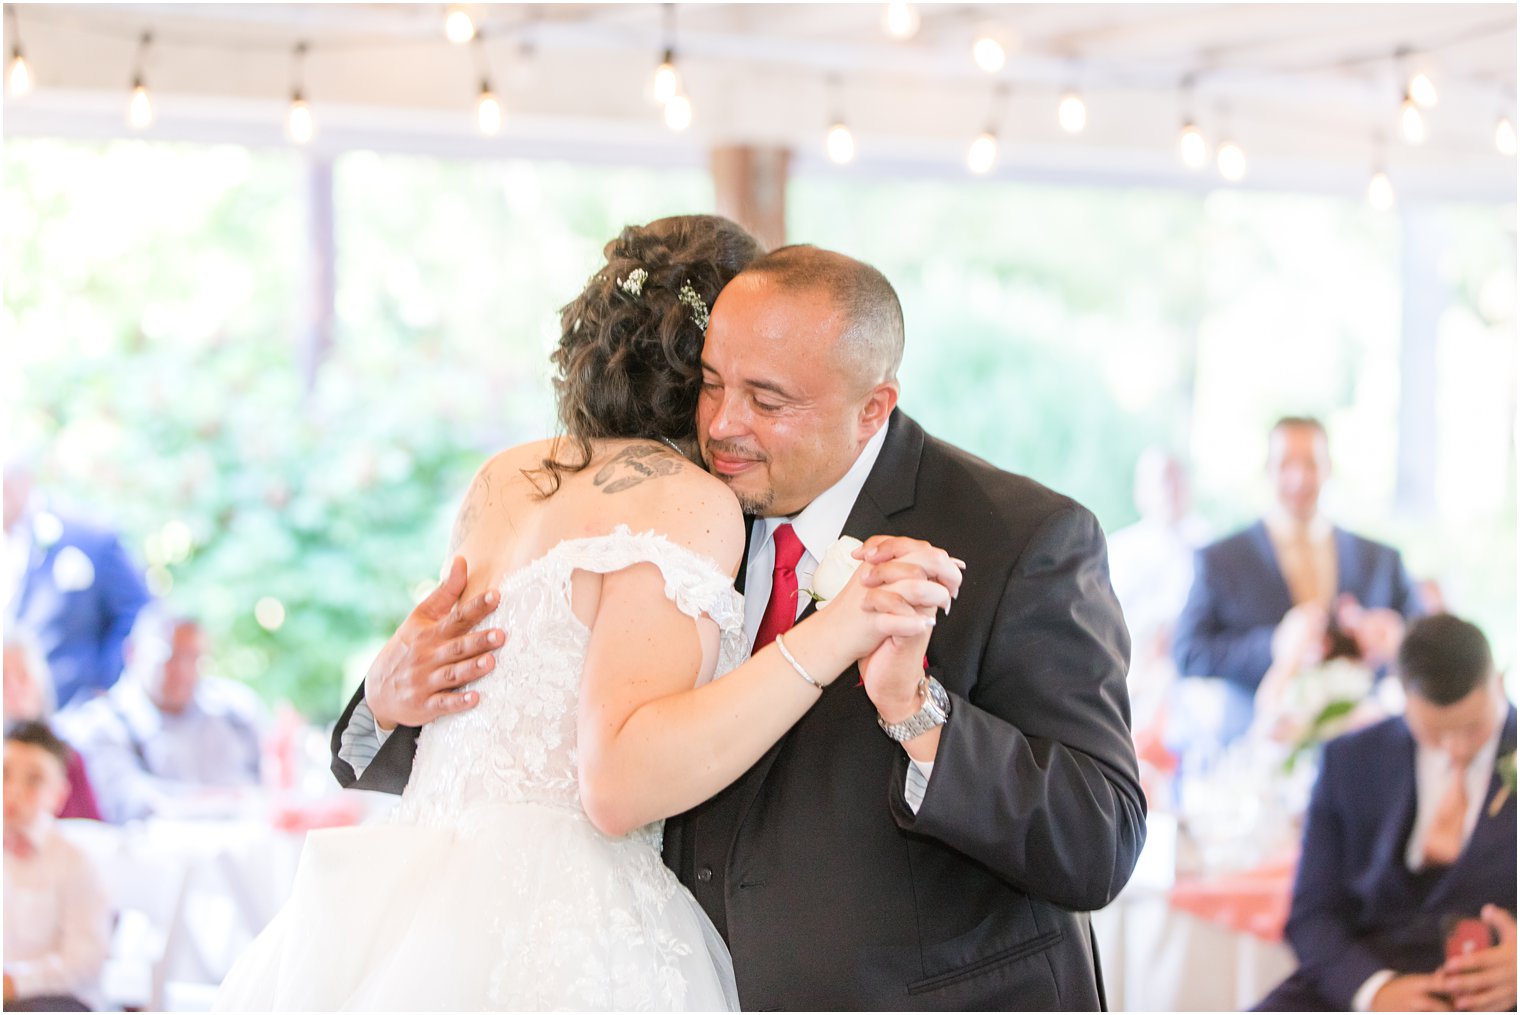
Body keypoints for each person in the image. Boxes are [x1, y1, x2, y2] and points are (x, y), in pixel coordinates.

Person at [337, 241, 1146, 1008]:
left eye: (767, 400)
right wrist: (384, 697)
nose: (723, 424)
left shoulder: (1020, 536)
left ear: (874, 407)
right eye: (713, 382)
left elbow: (1099, 839)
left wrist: (917, 712)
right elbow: (533, 741)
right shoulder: (682, 510)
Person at [218, 216, 960, 1011]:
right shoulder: (690, 502)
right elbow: (614, 780)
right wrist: (838, 628)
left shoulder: (502, 479)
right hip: (563, 922)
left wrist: (380, 706)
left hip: (410, 908)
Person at [1256, 614, 1517, 1012]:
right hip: (1370, 974)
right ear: (1404, 697)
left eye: (1471, 728)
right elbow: (1312, 914)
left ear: (1497, 682)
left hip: (1494, 992)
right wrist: (1374, 990)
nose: (1455, 748)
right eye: (1435, 732)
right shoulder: (1350, 760)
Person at [1172, 416, 1423, 750]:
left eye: (1311, 463)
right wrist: (1273, 645)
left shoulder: (1381, 560)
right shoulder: (1220, 559)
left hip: (1365, 745)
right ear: (1267, 469)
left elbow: (1426, 642)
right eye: (1286, 463)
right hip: (1257, 747)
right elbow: (1188, 652)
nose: (1299, 478)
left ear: (1328, 468)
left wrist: (1394, 641)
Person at [56, 609, 264, 824]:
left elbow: (272, 788)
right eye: (170, 656)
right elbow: (129, 804)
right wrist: (220, 801)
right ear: (132, 653)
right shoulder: (100, 726)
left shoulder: (235, 713)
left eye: (194, 657)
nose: (183, 670)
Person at [3, 456, 152, 711]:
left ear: (24, 482)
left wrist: (105, 680)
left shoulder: (88, 537)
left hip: (74, 710)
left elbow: (139, 610)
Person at [2, 720, 112, 1013]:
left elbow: (84, 961)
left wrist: (14, 982)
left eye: (33, 780)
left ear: (59, 795)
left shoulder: (75, 861)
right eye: (5, 774)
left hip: (55, 999)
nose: (13, 791)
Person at [1106, 447, 1209, 731]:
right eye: (1162, 480)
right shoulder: (1119, 551)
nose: (1170, 490)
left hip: (1192, 677)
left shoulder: (1210, 548)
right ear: (1141, 491)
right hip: (1132, 672)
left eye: (1177, 480)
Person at [3, 633, 103, 821]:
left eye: (22, 677)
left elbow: (93, 829)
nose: (14, 689)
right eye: (4, 680)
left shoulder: (68, 756)